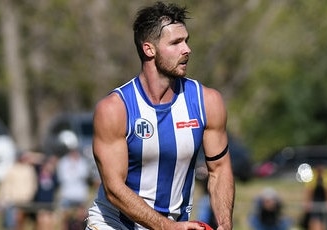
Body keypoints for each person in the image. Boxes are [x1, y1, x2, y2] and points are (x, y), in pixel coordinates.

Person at [86, 1, 235, 230]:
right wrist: (167, 227)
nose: (187, 49)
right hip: (114, 225)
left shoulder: (208, 102)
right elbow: (114, 190)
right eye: (175, 42)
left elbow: (219, 169)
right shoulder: (115, 109)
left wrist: (224, 223)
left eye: (186, 40)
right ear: (149, 49)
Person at [0, 152, 38, 230]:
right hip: (12, 200)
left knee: (22, 221)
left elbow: (33, 185)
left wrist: (28, 196)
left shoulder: (29, 169)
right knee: (13, 222)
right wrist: (3, 199)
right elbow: (5, 185)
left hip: (25, 200)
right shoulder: (11, 169)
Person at [56, 148, 90, 230]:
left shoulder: (82, 162)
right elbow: (63, 177)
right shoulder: (63, 162)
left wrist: (73, 172)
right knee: (65, 218)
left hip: (80, 195)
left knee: (81, 218)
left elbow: (84, 175)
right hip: (67, 194)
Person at [300, 164, 327, 230]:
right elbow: (308, 190)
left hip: (325, 201)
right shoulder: (312, 175)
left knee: (326, 219)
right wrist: (307, 203)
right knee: (314, 219)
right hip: (315, 201)